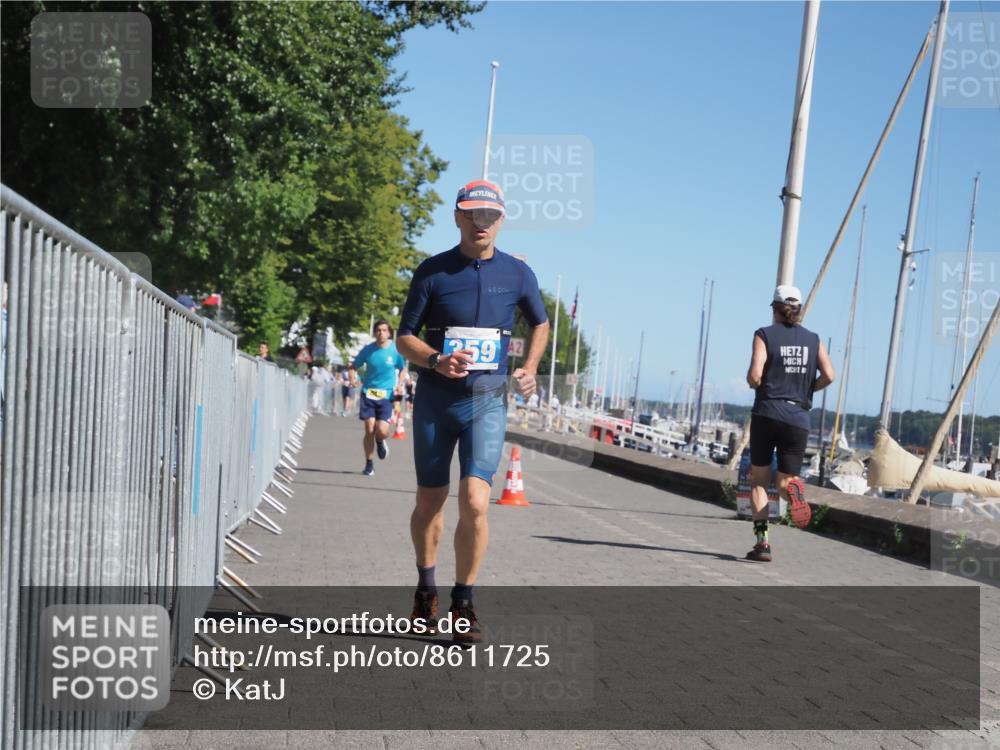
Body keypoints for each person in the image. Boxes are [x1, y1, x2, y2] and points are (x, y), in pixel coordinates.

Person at [396, 179, 549, 644]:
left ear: (501, 221)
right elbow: (406, 336)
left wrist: (529, 368)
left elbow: (541, 324)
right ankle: (426, 591)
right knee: (430, 501)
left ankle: (465, 601)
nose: (481, 224)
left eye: (490, 217)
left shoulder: (518, 273)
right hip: (436, 401)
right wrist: (435, 359)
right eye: (473, 215)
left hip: (486, 400)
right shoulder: (433, 271)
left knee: (477, 501)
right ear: (458, 217)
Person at [745, 284, 835, 562]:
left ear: (774, 308)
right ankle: (793, 494)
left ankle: (762, 543)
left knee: (759, 482)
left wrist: (756, 383)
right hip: (798, 417)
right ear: (799, 310)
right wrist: (807, 390)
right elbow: (829, 375)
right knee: (785, 482)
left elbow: (754, 375)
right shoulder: (814, 340)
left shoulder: (764, 335)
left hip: (768, 411)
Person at [350, 320, 407, 476]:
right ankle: (369, 464)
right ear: (375, 333)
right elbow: (354, 365)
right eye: (378, 330)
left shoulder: (395, 351)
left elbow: (402, 368)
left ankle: (380, 441)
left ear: (389, 333)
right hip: (368, 393)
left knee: (381, 431)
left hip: (386, 395)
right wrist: (352, 378)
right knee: (369, 429)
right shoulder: (368, 350)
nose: (381, 333)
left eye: (384, 330)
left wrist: (400, 383)